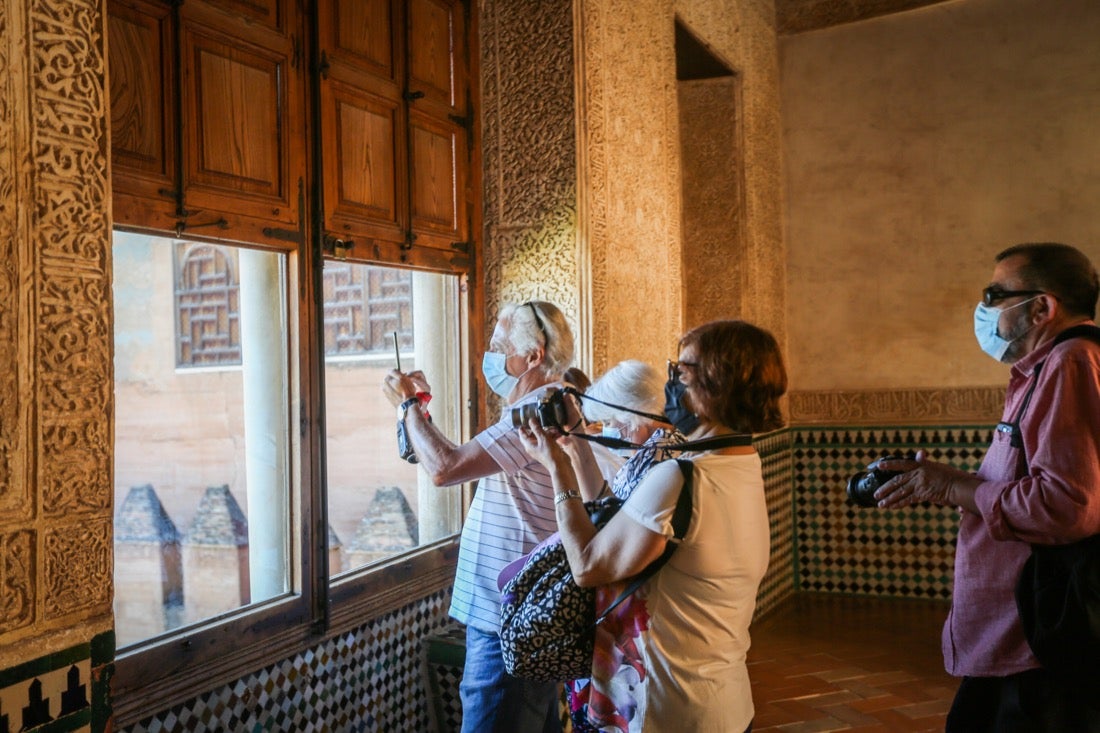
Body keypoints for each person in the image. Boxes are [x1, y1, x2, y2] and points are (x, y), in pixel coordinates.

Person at [874, 242, 1100, 732]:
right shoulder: (1045, 368)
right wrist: (946, 484)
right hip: (1022, 629)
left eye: (995, 293)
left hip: (1039, 632)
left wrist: (954, 488)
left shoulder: (1070, 363)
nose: (985, 309)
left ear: (1043, 306)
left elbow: (1066, 506)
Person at [520, 320, 787, 733]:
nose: (671, 384)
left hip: (667, 711)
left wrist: (556, 471)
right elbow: (621, 521)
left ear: (716, 384)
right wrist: (578, 449)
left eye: (681, 371)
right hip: (724, 704)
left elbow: (588, 565)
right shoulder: (738, 463)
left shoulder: (681, 477)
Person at [382, 300, 575, 733]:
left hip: (506, 621)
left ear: (532, 356)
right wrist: (418, 412)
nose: (490, 357)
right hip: (526, 614)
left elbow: (444, 467)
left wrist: (408, 405)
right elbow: (442, 458)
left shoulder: (534, 413)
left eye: (497, 346)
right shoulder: (554, 403)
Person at [557, 360, 685, 732]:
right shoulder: (651, 453)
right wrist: (577, 447)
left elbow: (606, 540)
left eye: (615, 423)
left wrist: (558, 468)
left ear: (640, 413)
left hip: (639, 620)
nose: (611, 433)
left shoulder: (663, 455)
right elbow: (611, 508)